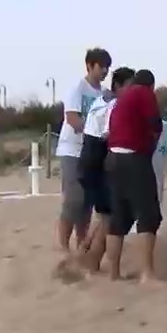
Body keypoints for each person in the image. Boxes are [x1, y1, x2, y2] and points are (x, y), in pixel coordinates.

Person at [104, 69, 164, 283]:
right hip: (133, 158)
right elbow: (155, 123)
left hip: (112, 158)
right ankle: (146, 273)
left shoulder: (122, 99)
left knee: (119, 216)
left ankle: (114, 273)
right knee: (148, 214)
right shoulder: (143, 92)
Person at [74, 66, 134, 272]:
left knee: (104, 215)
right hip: (98, 166)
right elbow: (110, 135)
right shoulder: (115, 104)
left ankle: (83, 254)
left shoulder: (101, 101)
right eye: (130, 86)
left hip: (88, 163)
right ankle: (91, 263)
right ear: (118, 86)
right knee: (110, 217)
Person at [55, 47, 112, 253]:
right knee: (73, 199)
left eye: (107, 67)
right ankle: (63, 244)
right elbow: (72, 118)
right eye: (101, 67)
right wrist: (91, 134)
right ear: (90, 66)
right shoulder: (77, 89)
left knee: (88, 201)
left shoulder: (104, 94)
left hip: (93, 152)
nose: (104, 71)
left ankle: (81, 242)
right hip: (72, 150)